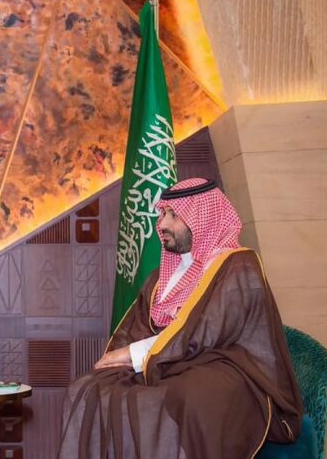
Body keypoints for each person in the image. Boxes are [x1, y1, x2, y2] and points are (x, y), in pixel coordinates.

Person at [58, 178, 303, 458]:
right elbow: (139, 323)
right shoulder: (163, 276)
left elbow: (205, 331)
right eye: (162, 213)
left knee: (183, 397)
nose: (161, 224)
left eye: (173, 215)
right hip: (167, 362)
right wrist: (125, 356)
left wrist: (133, 354)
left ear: (202, 217)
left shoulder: (238, 265)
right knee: (85, 388)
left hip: (226, 364)